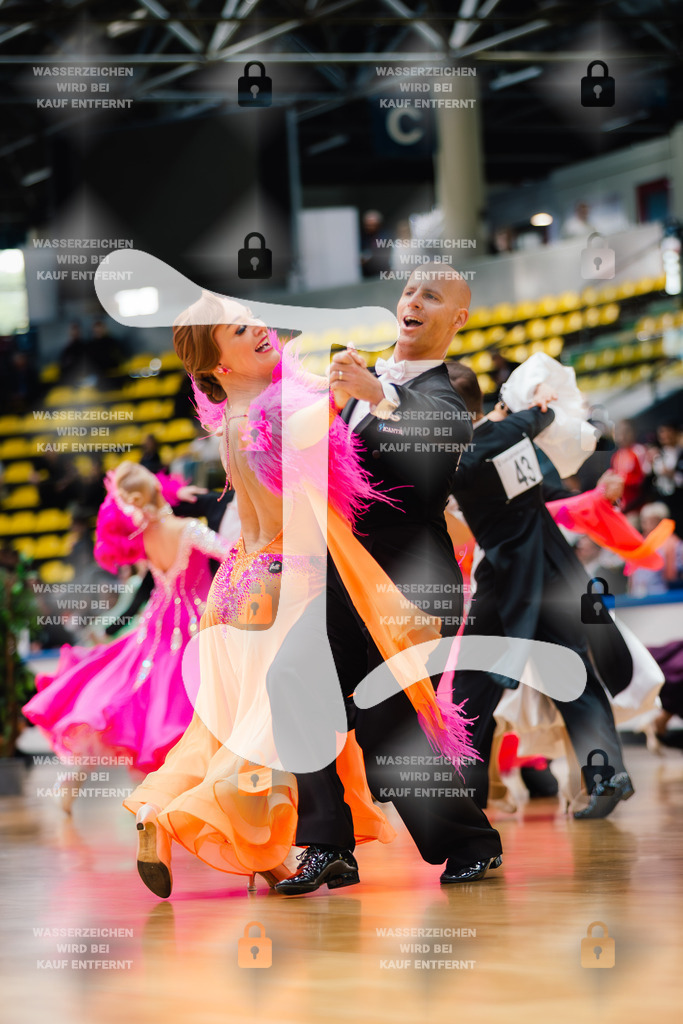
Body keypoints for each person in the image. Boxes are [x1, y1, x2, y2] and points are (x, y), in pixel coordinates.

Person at [124, 291, 469, 899]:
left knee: (242, 727)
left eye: (253, 319)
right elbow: (314, 508)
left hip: (240, 579)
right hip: (287, 577)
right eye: (239, 330)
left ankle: (168, 811)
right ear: (219, 363)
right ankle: (252, 831)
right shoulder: (277, 414)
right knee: (265, 735)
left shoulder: (238, 414)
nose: (260, 329)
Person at [271, 265, 504, 894]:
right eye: (408, 291)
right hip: (349, 574)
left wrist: (378, 396)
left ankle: (470, 841)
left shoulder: (444, 391)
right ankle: (327, 843)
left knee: (384, 722)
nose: (414, 301)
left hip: (410, 579)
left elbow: (430, 458)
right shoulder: (367, 385)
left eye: (432, 295)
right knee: (293, 677)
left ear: (458, 317)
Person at [446, 361, 635, 820]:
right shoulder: (513, 428)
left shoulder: (462, 457)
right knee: (572, 673)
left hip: (511, 576)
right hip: (551, 565)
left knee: (472, 688)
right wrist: (532, 409)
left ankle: (465, 803)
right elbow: (539, 419)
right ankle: (607, 773)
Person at [22, 461, 233, 803]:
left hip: (158, 623)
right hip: (195, 623)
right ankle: (186, 790)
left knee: (132, 694)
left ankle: (91, 779)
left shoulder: (144, 536)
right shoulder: (189, 529)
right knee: (187, 700)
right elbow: (231, 553)